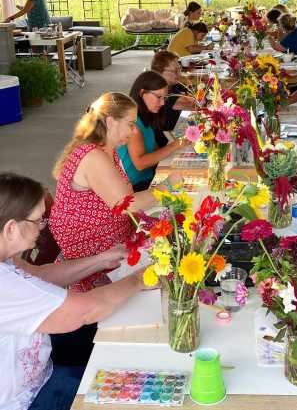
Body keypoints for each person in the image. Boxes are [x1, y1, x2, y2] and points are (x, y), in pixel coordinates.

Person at [0, 172, 151, 410]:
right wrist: (139, 280)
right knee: (138, 387)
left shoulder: (6, 258)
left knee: (129, 347)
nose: (43, 227)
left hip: (42, 369)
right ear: (10, 229)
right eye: (38, 220)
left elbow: (39, 276)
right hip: (29, 399)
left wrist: (100, 259)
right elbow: (82, 312)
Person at [50, 92, 160, 292]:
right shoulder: (93, 156)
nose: (135, 131)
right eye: (130, 124)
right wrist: (166, 188)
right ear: (110, 122)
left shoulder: (107, 151)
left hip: (112, 251)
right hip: (96, 264)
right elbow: (127, 204)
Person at [117, 71, 187, 192]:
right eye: (159, 97)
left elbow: (154, 150)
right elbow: (140, 163)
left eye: (164, 98)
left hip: (148, 175)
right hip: (135, 186)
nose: (163, 103)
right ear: (141, 93)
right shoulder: (133, 124)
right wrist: (174, 145)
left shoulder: (147, 115)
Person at [151, 50, 196, 146]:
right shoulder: (162, 94)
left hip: (179, 130)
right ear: (160, 72)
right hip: (167, 143)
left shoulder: (173, 85)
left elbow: (193, 95)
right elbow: (195, 104)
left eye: (179, 69)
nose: (179, 74)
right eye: (175, 71)